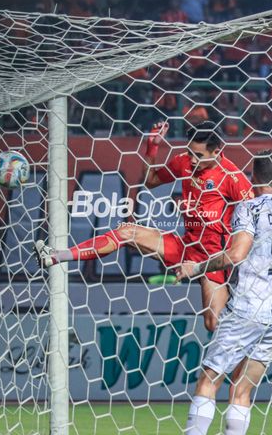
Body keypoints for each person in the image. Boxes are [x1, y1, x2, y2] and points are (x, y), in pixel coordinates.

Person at [35, 121, 253, 332]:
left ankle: (247, 343)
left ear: (217, 152)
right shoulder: (184, 161)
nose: (193, 160)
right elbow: (150, 180)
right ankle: (55, 256)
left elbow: (254, 219)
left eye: (199, 155)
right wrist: (152, 146)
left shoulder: (233, 178)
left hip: (212, 258)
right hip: (186, 246)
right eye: (190, 153)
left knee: (214, 324)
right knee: (126, 232)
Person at [176, 150, 272, 435]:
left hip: (245, 307)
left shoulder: (249, 208)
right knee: (242, 390)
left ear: (253, 178)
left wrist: (196, 267)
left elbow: (237, 254)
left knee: (208, 380)